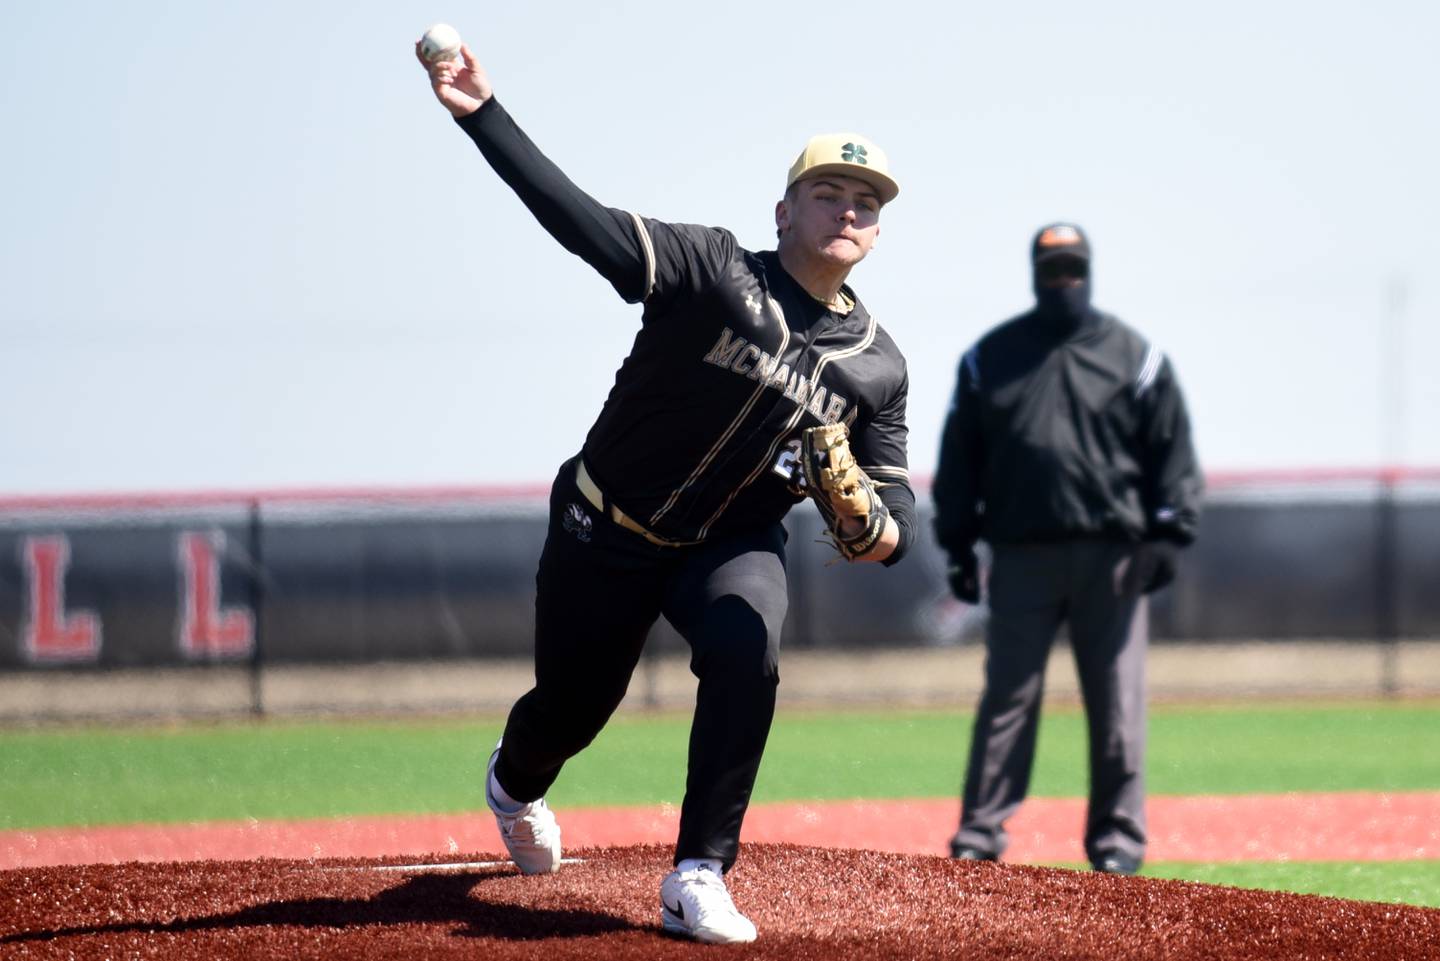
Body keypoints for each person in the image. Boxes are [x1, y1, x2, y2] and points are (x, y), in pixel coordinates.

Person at [416, 40, 916, 943]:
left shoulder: (878, 367)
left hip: (730, 543)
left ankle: (697, 874)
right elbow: (588, 226)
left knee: (747, 649)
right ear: (785, 209)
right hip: (605, 524)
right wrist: (484, 116)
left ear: (878, 231)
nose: (849, 208)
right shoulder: (715, 269)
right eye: (830, 192)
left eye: (867, 202)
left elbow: (895, 521)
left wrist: (873, 527)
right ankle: (514, 782)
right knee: (570, 710)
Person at [932, 223, 1201, 875]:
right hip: (1020, 556)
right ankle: (979, 836)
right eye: (1054, 270)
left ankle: (1117, 846)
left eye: (1073, 269)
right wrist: (959, 545)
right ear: (1035, 273)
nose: (1064, 281)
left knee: (1118, 706)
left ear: (1090, 271)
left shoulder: (1133, 355)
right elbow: (959, 460)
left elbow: (1172, 448)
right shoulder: (989, 358)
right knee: (1007, 701)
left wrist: (1170, 530)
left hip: (1114, 557)